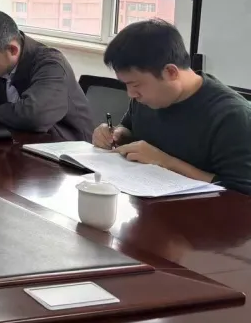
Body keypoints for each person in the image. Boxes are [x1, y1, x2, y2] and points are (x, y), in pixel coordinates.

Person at [91, 19, 251, 195]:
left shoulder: (232, 116)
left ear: (170, 72)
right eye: (126, 85)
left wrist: (165, 162)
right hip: (141, 202)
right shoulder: (146, 99)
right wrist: (117, 135)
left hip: (201, 210)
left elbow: (240, 193)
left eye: (135, 85)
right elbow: (130, 129)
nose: (131, 94)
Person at [0, 10, 92, 141]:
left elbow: (34, 116)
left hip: (66, 153)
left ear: (13, 50)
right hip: (16, 146)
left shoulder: (51, 65)